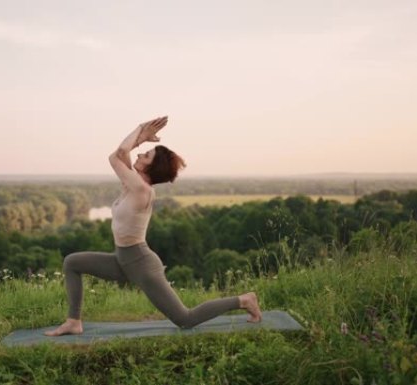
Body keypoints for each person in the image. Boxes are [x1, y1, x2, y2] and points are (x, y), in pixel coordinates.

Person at [45, 116, 262, 336]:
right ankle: (73, 321)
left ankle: (244, 300)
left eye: (146, 154)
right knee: (72, 262)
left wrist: (140, 130)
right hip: (123, 260)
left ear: (153, 166)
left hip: (141, 265)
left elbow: (119, 155)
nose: (139, 153)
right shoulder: (132, 184)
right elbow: (117, 156)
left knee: (185, 319)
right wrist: (141, 138)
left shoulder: (143, 191)